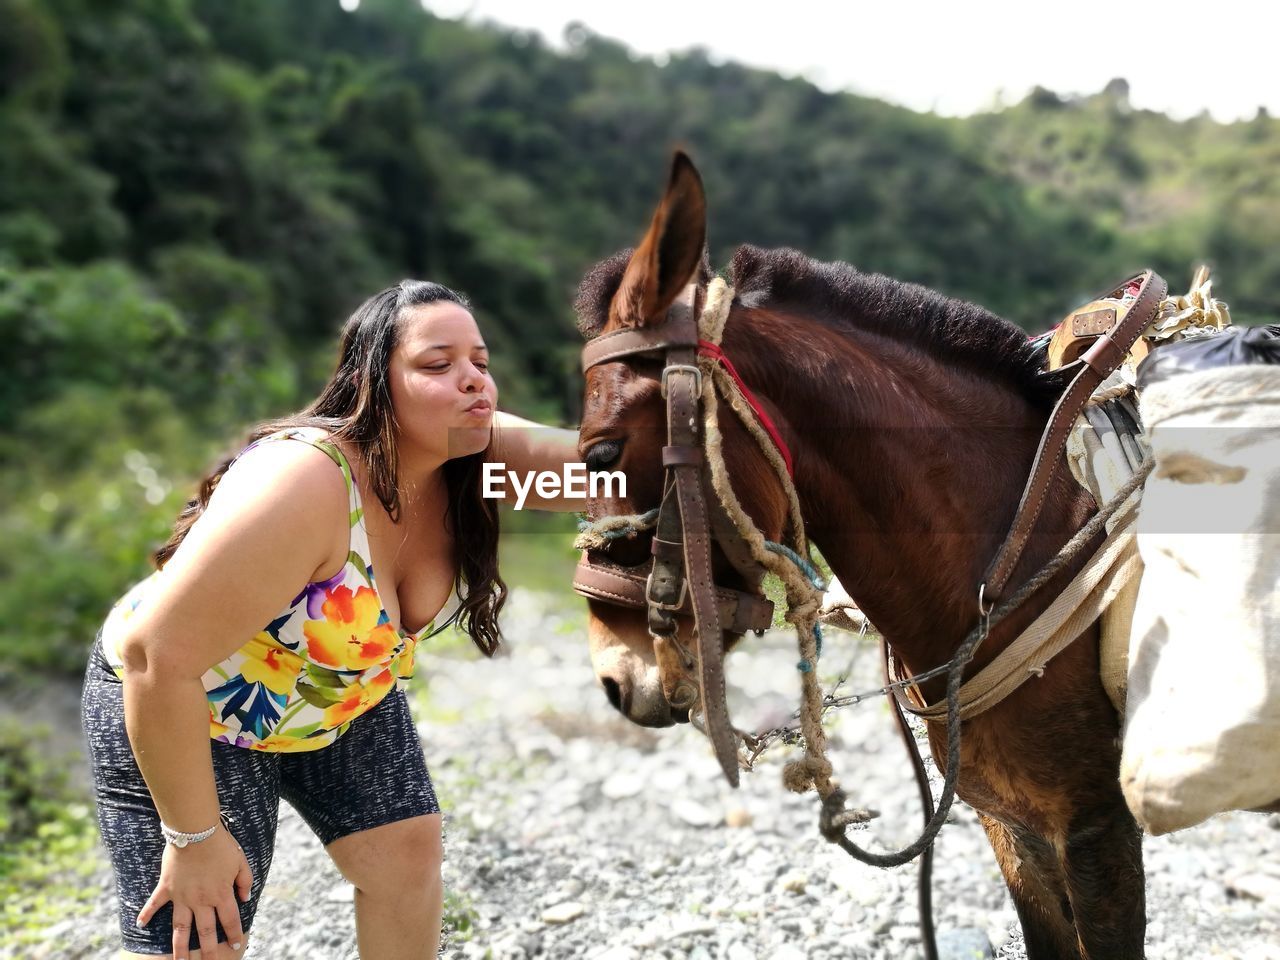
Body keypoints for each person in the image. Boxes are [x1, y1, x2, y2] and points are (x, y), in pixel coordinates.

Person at [80, 279, 582, 960]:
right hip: (185, 704)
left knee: (405, 858)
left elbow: (606, 476)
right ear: (374, 383)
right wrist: (192, 839)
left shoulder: (472, 459)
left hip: (336, 694)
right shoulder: (304, 483)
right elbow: (154, 658)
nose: (472, 382)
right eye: (438, 365)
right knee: (201, 936)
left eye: (481, 363)